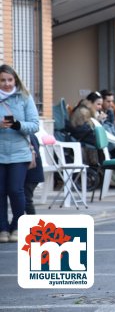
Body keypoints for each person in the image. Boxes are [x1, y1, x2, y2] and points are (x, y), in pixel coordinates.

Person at [0, 64, 40, 243]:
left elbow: (35, 124)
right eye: (2, 80)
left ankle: (17, 225)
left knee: (16, 190)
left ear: (15, 79)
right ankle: (2, 228)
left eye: (10, 79)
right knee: (0, 191)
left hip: (19, 152)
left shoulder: (24, 97)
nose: (7, 84)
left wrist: (17, 125)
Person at [24, 134, 44, 215]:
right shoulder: (31, 135)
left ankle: (33, 222)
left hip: (31, 173)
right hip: (33, 172)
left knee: (26, 199)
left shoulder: (28, 136)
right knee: (26, 198)